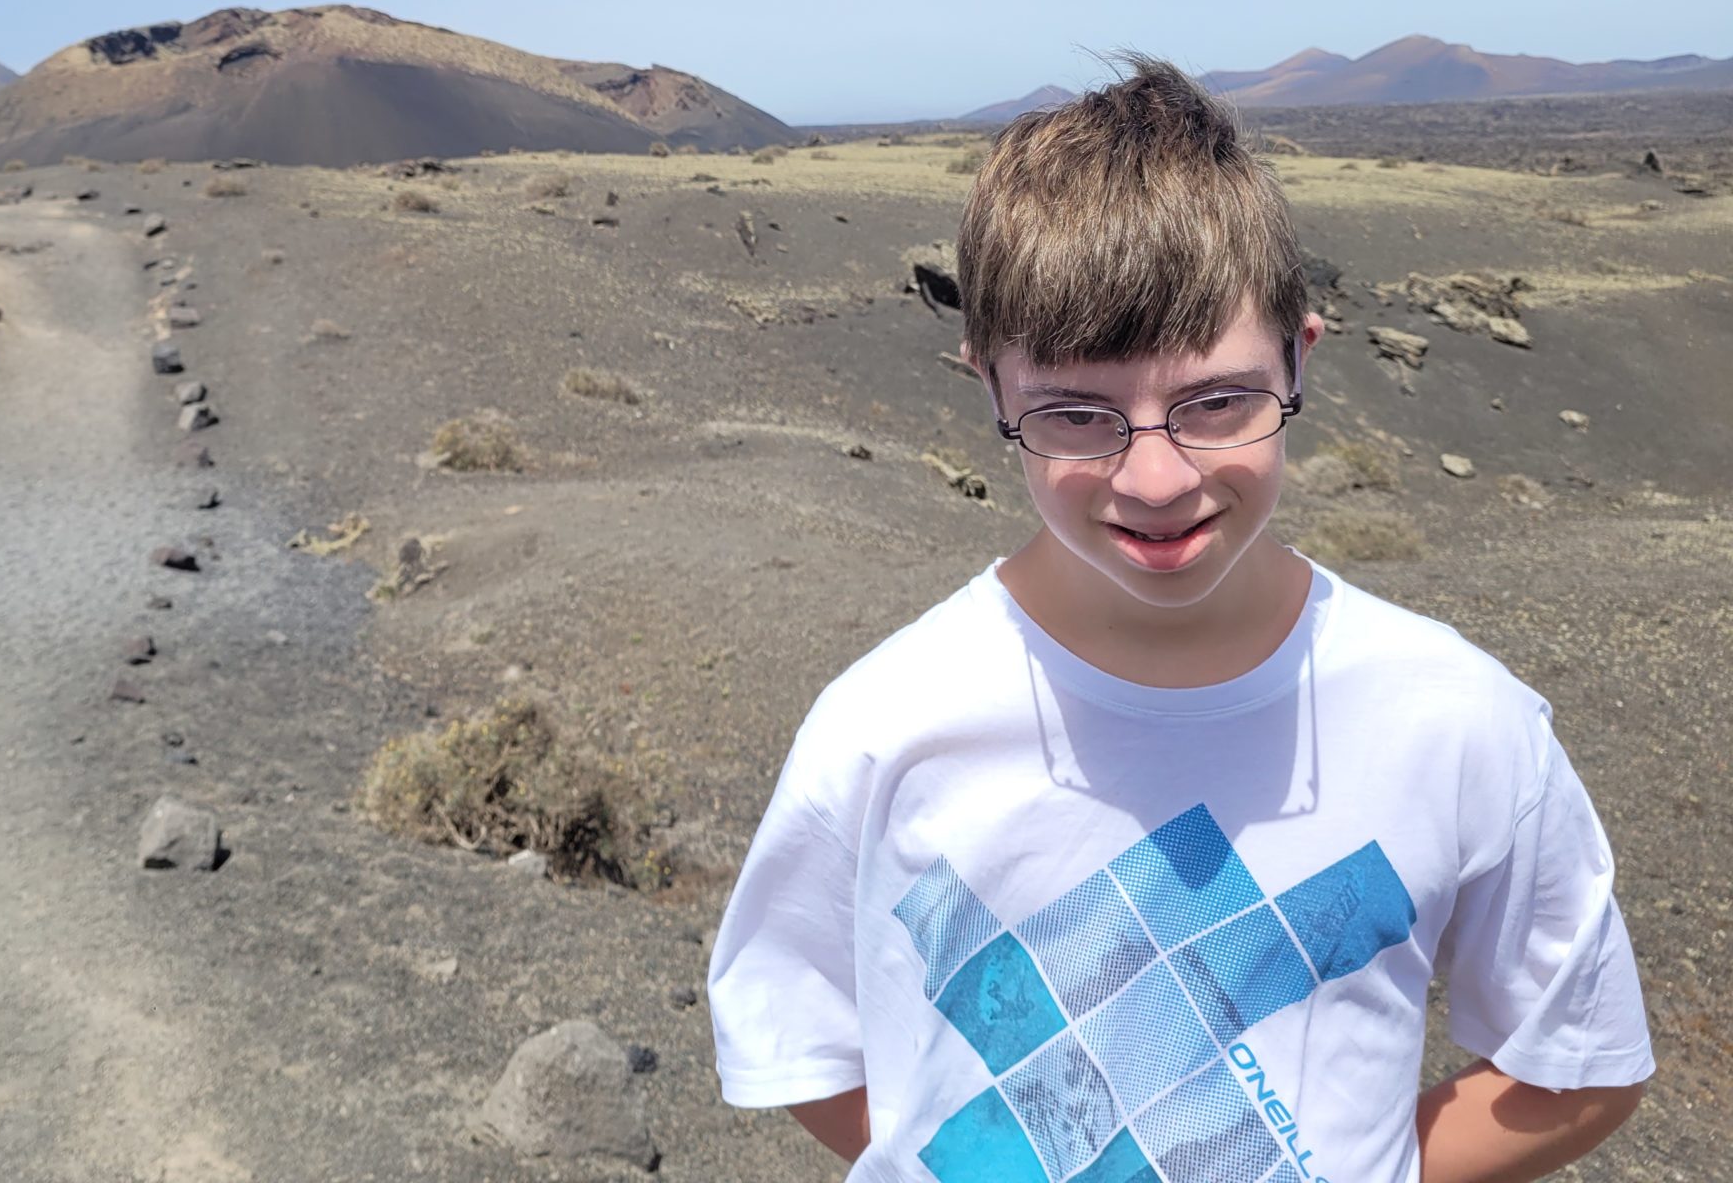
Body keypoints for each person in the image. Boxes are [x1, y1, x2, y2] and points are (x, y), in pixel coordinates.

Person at [706, 58, 1651, 1183]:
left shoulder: (1458, 724)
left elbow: (1581, 1065)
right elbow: (807, 1048)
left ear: (1300, 356)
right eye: (1074, 414)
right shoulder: (881, 729)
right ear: (989, 391)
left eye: (1216, 403)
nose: (1154, 478)